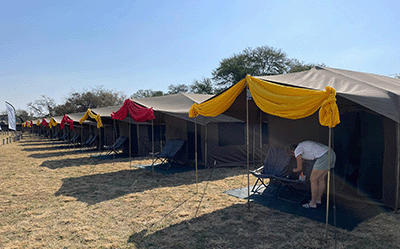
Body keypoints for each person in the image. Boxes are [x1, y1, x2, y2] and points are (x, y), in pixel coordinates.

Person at [285, 141, 336, 209]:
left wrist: (293, 170)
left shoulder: (297, 150)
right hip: (331, 154)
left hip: (323, 157)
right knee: (321, 179)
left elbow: (299, 168)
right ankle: (318, 200)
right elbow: (303, 159)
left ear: (292, 151)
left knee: (313, 179)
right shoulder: (302, 146)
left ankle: (313, 203)